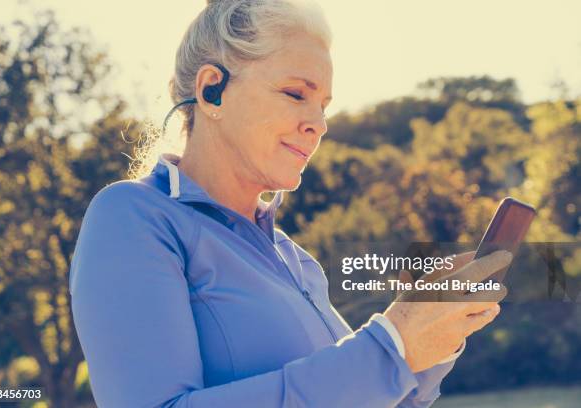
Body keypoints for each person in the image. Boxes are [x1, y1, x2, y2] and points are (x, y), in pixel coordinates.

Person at [69, 0, 510, 407]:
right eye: (297, 94)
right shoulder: (133, 217)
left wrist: (428, 341)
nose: (318, 125)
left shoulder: (295, 260)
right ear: (212, 91)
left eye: (324, 107)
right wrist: (391, 348)